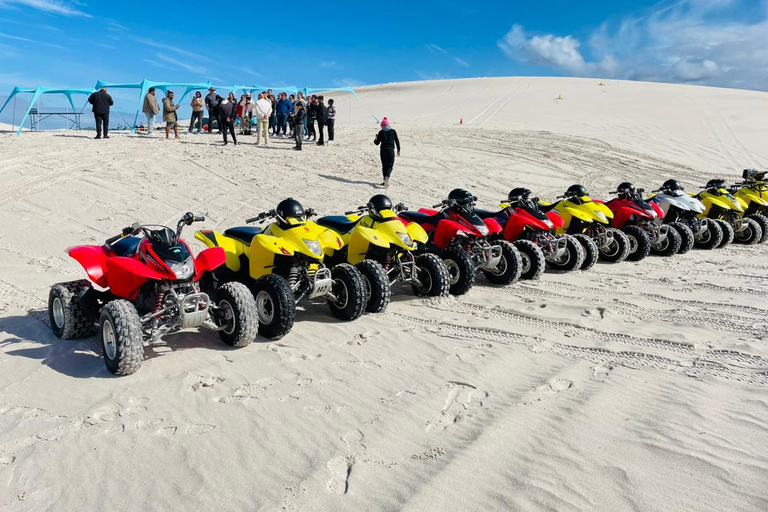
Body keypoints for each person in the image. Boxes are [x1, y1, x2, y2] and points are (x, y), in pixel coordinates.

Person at [373, 117, 400, 187]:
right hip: (390, 150)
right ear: (388, 125)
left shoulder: (381, 132)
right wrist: (398, 150)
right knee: (390, 165)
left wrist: (376, 138)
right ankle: (386, 178)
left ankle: (385, 180)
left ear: (382, 125)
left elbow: (376, 143)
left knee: (384, 166)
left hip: (383, 150)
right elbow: (397, 141)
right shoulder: (393, 131)